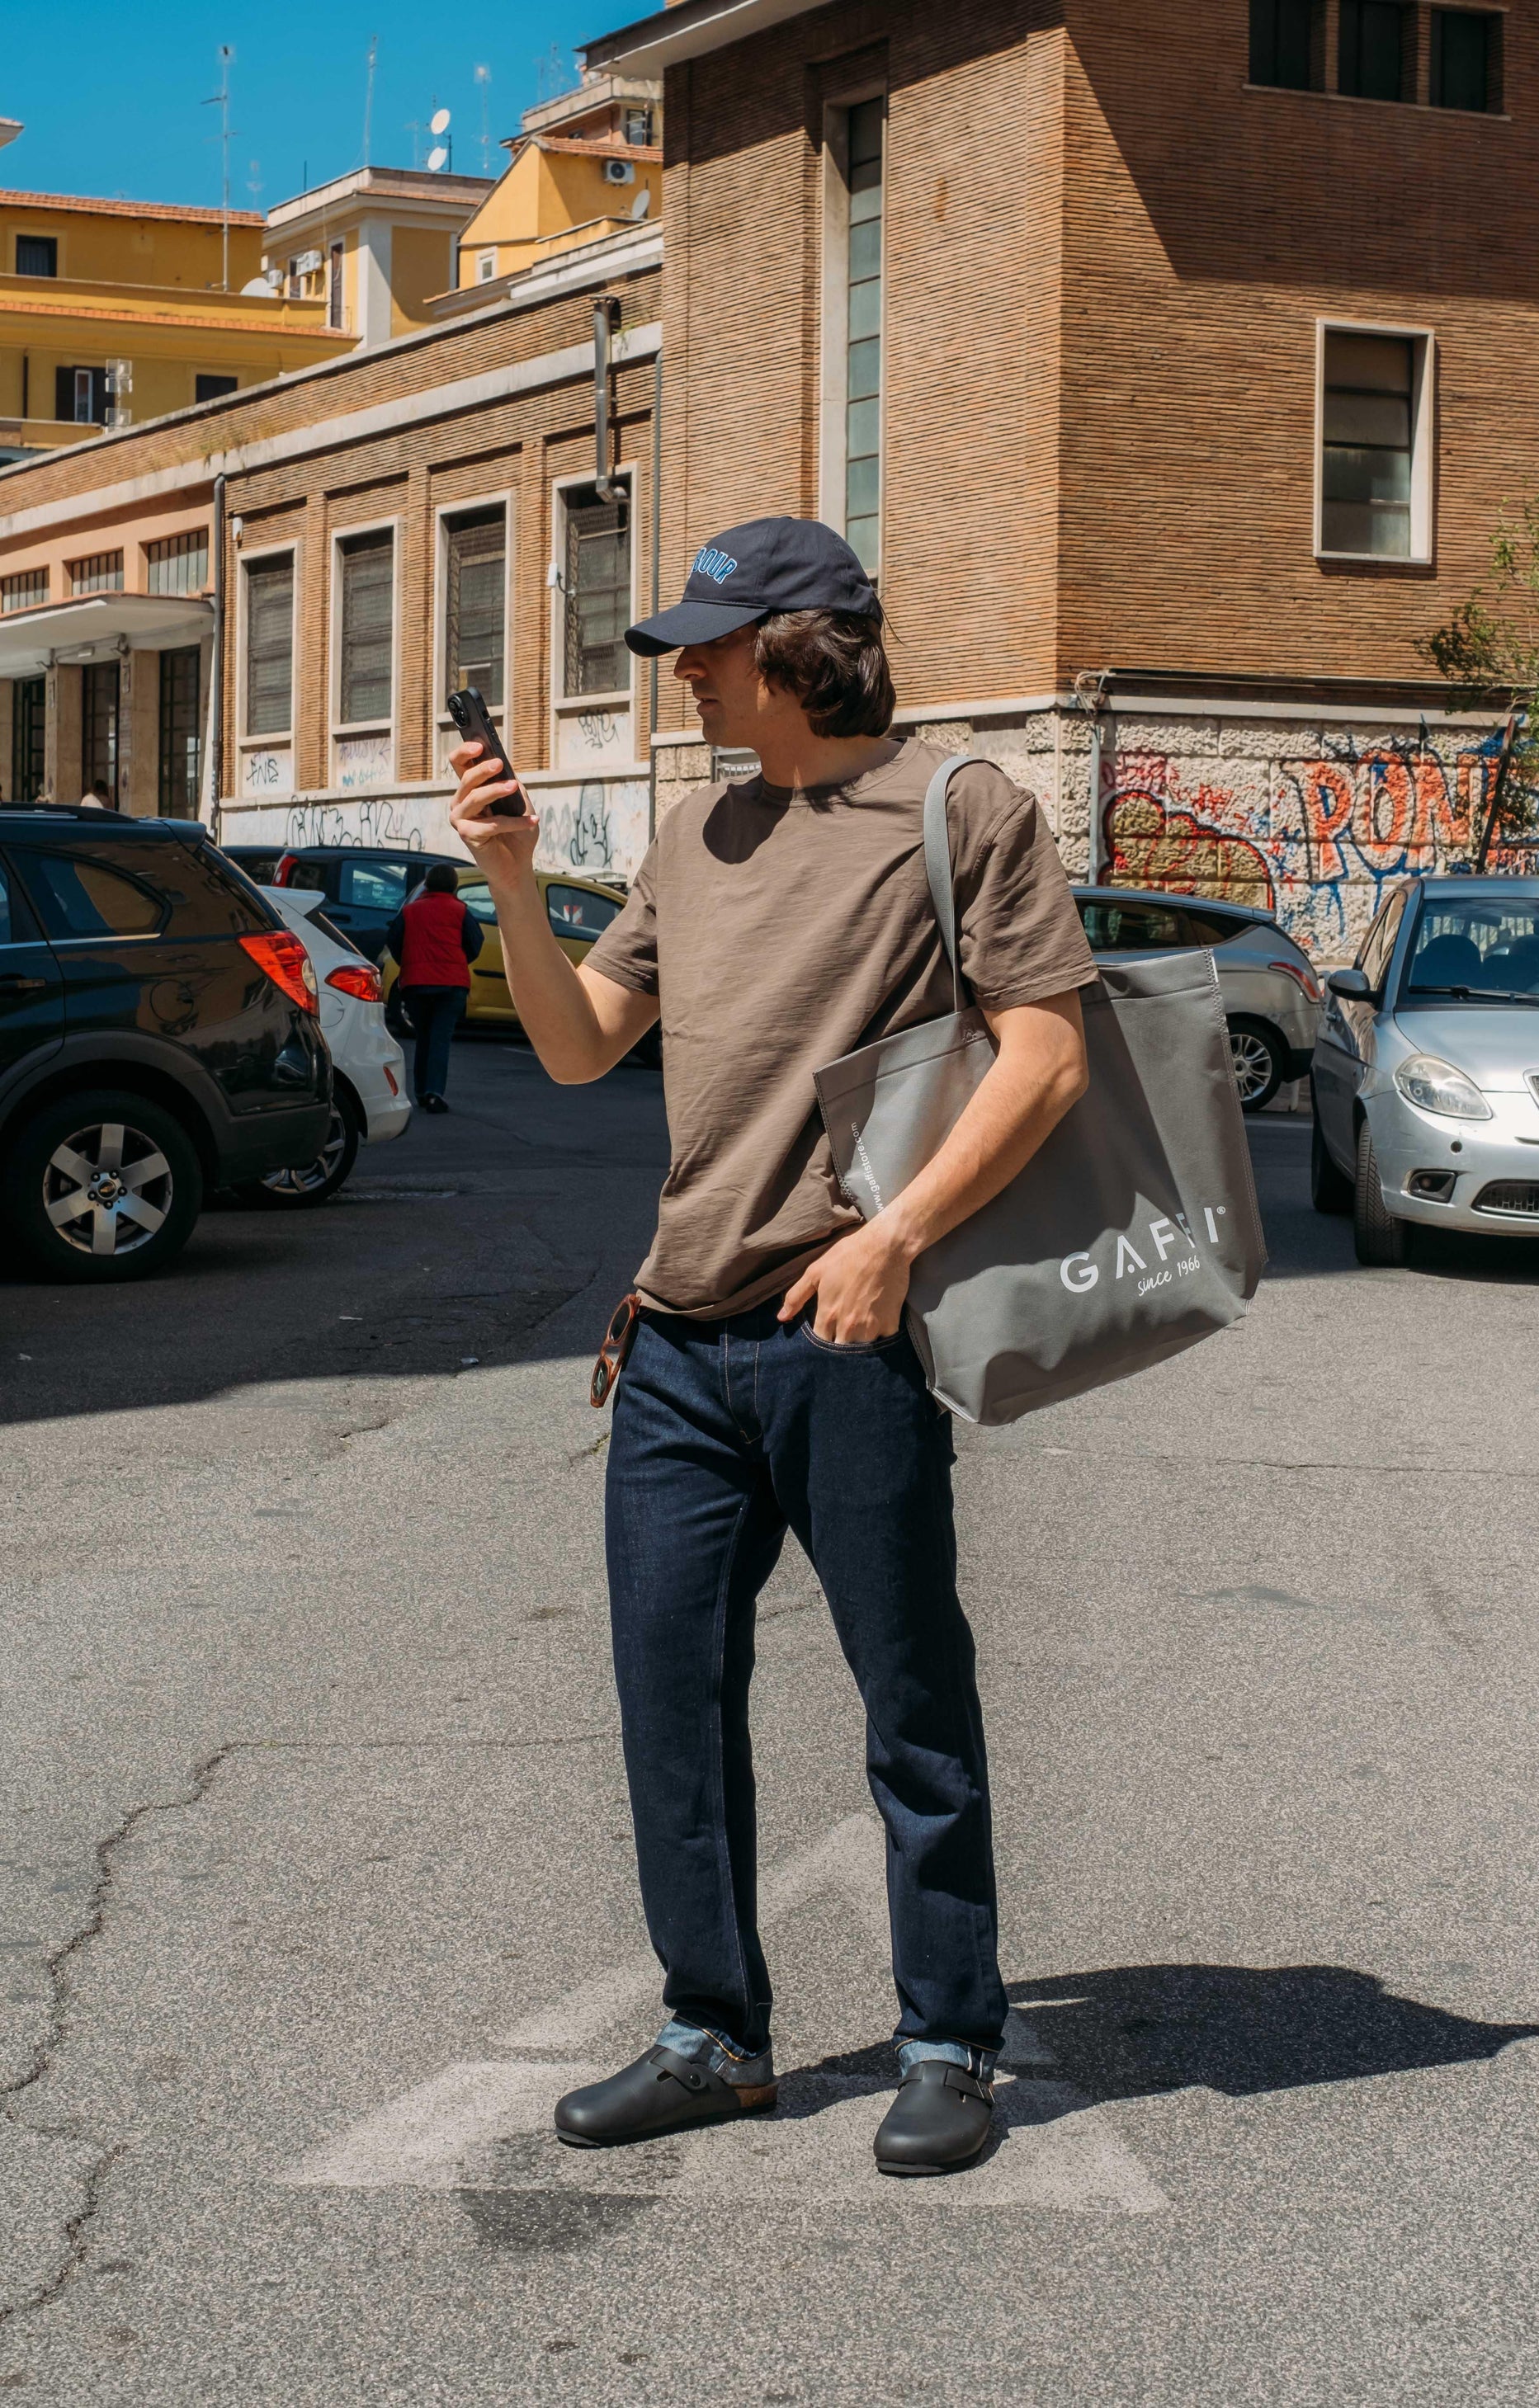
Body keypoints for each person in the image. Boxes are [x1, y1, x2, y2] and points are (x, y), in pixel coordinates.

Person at [447, 516, 1098, 2177]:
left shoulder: (957, 810)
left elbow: (1046, 1056)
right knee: (670, 1693)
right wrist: (516, 886)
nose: (684, 668)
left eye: (712, 645)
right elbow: (584, 1044)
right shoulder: (694, 828)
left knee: (909, 1700)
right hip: (672, 1339)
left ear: (806, 649)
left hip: (845, 1328)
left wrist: (894, 1238)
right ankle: (711, 2032)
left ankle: (946, 2032)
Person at [385, 862, 482, 1112]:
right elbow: (475, 943)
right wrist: (458, 962)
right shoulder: (461, 911)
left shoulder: (410, 912)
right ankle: (433, 1093)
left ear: (427, 884)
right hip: (451, 985)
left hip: (417, 984)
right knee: (440, 1039)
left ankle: (420, 1091)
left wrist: (411, 964)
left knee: (424, 1038)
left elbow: (394, 943)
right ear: (453, 885)